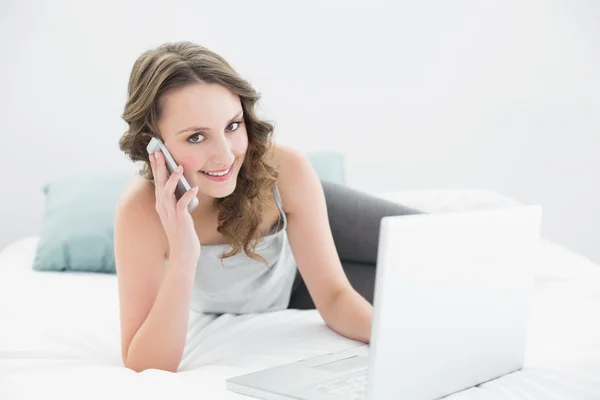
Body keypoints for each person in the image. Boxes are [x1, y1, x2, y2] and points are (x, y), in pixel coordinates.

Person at [115, 41, 421, 373]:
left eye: (232, 126)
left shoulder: (285, 168)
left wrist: (400, 348)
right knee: (416, 298)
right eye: (196, 137)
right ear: (153, 144)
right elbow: (145, 364)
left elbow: (335, 295)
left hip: (313, 219)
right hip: (294, 287)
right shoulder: (140, 211)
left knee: (442, 249)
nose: (225, 154)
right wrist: (184, 255)